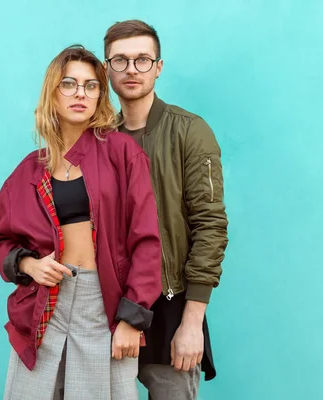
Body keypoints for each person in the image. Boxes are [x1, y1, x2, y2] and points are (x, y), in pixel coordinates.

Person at [0, 45, 162, 400]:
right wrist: (29, 264)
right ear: (53, 92)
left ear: (100, 96)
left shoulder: (123, 153)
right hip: (44, 307)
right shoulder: (27, 171)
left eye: (91, 85)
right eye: (69, 83)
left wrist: (132, 317)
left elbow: (147, 240)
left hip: (104, 306)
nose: (80, 93)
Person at [103, 20, 229, 400]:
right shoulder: (97, 139)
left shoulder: (190, 131)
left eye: (142, 60)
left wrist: (193, 321)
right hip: (107, 304)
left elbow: (210, 227)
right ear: (106, 68)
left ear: (159, 67)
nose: (131, 70)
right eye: (120, 60)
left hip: (171, 304)